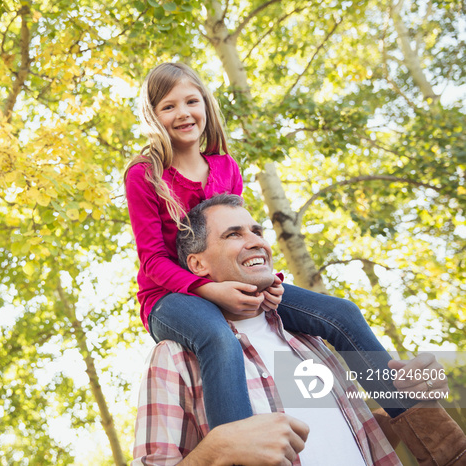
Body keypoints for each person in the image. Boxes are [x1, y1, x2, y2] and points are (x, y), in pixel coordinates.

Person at [124, 62, 416, 430]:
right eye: (169, 106)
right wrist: (209, 290)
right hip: (170, 297)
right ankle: (242, 447)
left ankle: (426, 430)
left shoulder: (226, 167)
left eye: (191, 101)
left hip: (234, 280)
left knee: (341, 314)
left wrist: (269, 280)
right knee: (218, 337)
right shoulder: (144, 174)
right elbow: (153, 260)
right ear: (154, 116)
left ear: (206, 105)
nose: (183, 113)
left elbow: (244, 238)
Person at [131, 194, 464, 465]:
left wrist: (417, 400)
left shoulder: (307, 340)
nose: (255, 242)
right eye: (233, 234)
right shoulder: (175, 359)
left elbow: (351, 435)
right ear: (198, 265)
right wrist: (216, 452)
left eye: (257, 231)